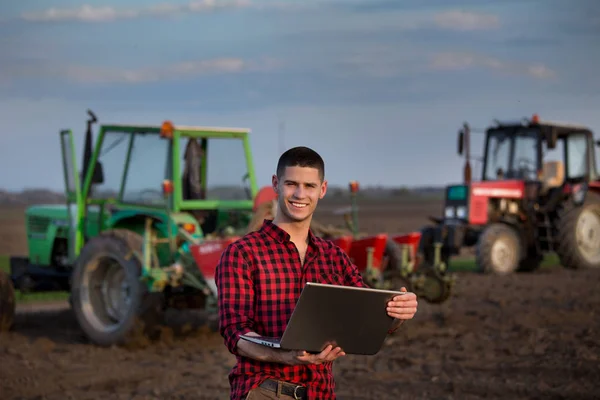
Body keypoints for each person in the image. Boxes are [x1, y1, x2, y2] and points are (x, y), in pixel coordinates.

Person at [216, 146, 418, 400]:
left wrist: (397, 311)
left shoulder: (334, 258)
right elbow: (236, 334)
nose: (300, 194)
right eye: (291, 184)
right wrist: (285, 356)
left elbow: (371, 317)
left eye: (309, 186)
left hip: (321, 393)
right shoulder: (242, 254)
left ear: (322, 190)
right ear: (276, 185)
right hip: (266, 389)